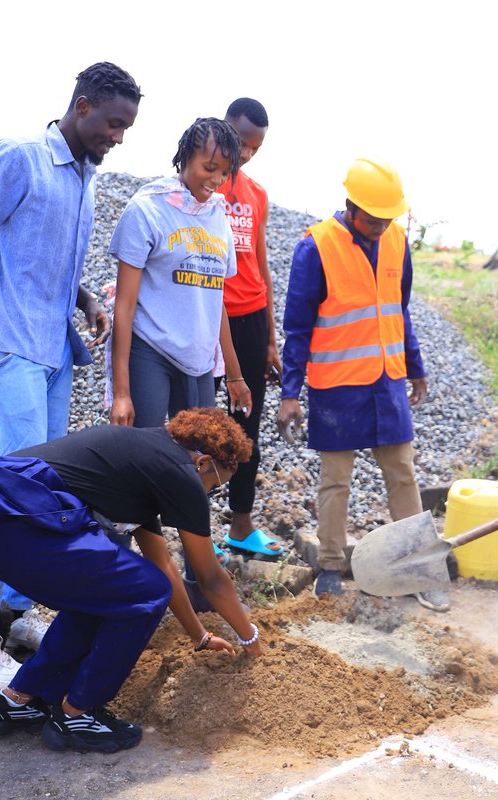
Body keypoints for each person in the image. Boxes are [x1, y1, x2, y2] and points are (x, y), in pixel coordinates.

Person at [0, 63, 142, 691]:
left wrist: (87, 302)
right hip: (10, 343)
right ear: (81, 107)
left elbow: (45, 256)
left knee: (51, 487)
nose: (119, 137)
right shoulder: (19, 159)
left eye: (127, 128)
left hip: (52, 345)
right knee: (18, 492)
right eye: (113, 123)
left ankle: (11, 620)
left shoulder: (83, 178)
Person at [0, 408, 263, 753]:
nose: (207, 494)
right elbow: (210, 579)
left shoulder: (148, 457)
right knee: (141, 590)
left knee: (109, 592)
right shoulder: (180, 472)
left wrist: (200, 637)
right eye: (215, 486)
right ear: (202, 462)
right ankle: (76, 715)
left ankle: (19, 700)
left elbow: (163, 567)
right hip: (9, 519)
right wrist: (251, 640)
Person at [276, 158, 439, 610]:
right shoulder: (316, 247)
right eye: (373, 218)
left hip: (387, 379)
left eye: (388, 219)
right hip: (337, 385)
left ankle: (420, 569)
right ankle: (330, 567)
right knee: (336, 480)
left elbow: (398, 309)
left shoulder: (396, 241)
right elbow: (298, 327)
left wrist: (415, 364)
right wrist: (291, 393)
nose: (380, 226)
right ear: (350, 206)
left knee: (403, 473)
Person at [108, 117, 253, 577]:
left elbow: (218, 303)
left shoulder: (218, 217)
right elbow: (124, 308)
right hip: (152, 351)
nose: (215, 179)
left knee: (205, 463)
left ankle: (197, 574)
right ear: (185, 155)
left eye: (223, 171)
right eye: (208, 167)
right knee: (147, 462)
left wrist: (233, 373)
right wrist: (122, 391)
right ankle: (149, 571)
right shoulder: (147, 209)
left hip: (198, 361)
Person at [216, 98, 284, 560]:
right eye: (241, 142)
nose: (245, 155)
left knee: (247, 424)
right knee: (198, 420)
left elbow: (261, 262)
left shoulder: (257, 194)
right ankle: (194, 532)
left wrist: (272, 338)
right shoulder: (202, 182)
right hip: (206, 317)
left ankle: (240, 524)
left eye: (254, 148)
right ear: (224, 129)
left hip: (251, 316)